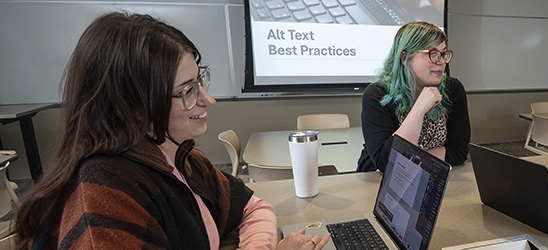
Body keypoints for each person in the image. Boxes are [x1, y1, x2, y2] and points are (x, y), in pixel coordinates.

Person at [13, 12, 329, 250]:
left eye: (201, 80)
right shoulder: (102, 195)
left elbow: (252, 206)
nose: (208, 99)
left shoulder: (178, 156)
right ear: (132, 106)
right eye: (188, 90)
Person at [357, 21, 470, 172]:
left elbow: (458, 151)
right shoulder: (377, 94)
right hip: (375, 182)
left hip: (429, 175)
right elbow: (387, 163)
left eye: (443, 54)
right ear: (405, 58)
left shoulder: (452, 89)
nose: (442, 61)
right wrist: (418, 110)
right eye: (433, 54)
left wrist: (412, 161)